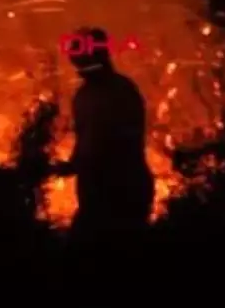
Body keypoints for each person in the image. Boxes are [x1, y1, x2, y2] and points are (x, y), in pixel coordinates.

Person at [54, 27, 154, 243]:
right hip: (113, 190)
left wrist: (73, 166)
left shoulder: (107, 93)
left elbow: (102, 143)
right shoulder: (106, 91)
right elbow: (89, 142)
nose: (75, 62)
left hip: (116, 192)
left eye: (79, 56)